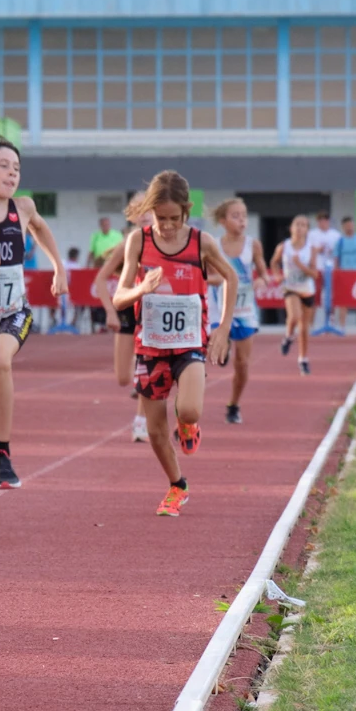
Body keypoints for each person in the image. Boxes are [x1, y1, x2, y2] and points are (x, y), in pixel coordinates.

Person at [112, 171, 236, 517]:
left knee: (190, 409)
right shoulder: (139, 241)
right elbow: (120, 296)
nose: (166, 226)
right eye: (160, 218)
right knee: (154, 430)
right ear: (150, 211)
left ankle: (188, 423)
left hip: (189, 343)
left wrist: (223, 328)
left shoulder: (201, 242)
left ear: (186, 211)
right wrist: (141, 289)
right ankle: (177, 485)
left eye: (173, 218)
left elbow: (231, 277)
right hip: (150, 345)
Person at [0, 133, 68, 488]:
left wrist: (59, 268)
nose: (12, 174)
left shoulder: (22, 208)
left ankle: (2, 455)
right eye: (3, 166)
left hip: (14, 311)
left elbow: (41, 229)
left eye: (16, 168)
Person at [93, 196, 154, 442]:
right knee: (122, 377)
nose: (145, 213)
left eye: (149, 207)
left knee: (146, 369)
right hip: (128, 308)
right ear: (131, 215)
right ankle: (141, 383)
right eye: (139, 209)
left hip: (152, 312)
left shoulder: (165, 241)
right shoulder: (128, 242)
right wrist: (109, 311)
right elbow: (100, 278)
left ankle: (141, 422)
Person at [209, 198, 269, 424]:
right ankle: (222, 347)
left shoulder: (253, 245)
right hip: (220, 310)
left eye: (244, 215)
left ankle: (233, 404)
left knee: (242, 364)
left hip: (244, 311)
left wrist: (262, 280)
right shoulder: (212, 245)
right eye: (235, 216)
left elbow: (264, 273)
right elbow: (208, 276)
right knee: (217, 352)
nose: (241, 220)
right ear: (223, 221)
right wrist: (225, 280)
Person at [271, 216, 320, 375]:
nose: (300, 228)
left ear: (307, 229)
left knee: (304, 328)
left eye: (303, 225)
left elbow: (314, 274)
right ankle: (288, 335)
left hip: (307, 289)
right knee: (294, 316)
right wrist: (278, 275)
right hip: (290, 288)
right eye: (297, 225)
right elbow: (274, 262)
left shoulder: (311, 249)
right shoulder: (284, 247)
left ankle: (303, 359)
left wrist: (300, 265)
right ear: (291, 228)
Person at [332, 216, 356, 333]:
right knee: (343, 301)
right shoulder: (340, 242)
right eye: (347, 225)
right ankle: (342, 326)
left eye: (351, 225)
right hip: (344, 274)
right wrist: (337, 272)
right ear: (343, 227)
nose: (350, 227)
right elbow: (336, 259)